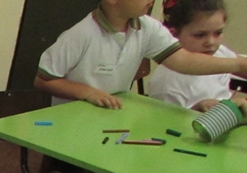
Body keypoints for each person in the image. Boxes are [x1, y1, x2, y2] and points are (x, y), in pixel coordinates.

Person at [35, 0, 247, 109]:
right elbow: (44, 80)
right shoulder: (81, 34)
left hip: (109, 113)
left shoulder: (147, 27)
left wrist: (237, 64)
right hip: (70, 118)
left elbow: (182, 60)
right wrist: (88, 92)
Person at [149, 0, 247, 111]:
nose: (211, 42)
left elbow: (241, 65)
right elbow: (164, 118)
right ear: (173, 35)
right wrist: (196, 109)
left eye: (218, 33)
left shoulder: (219, 52)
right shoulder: (168, 83)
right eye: (200, 35)